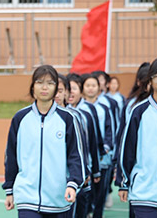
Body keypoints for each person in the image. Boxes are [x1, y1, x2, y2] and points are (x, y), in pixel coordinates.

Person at [3, 65, 84, 217]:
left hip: (58, 199)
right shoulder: (20, 118)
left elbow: (76, 155)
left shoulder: (68, 119)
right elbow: (11, 156)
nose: (44, 87)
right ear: (32, 87)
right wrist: (9, 189)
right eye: (39, 82)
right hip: (27, 198)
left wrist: (73, 184)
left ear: (56, 88)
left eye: (50, 83)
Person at [118, 58, 157, 217]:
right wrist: (123, 183)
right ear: (150, 81)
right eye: (156, 76)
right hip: (143, 192)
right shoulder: (138, 111)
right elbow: (127, 149)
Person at [56, 75, 97, 218]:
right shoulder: (32, 118)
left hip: (72, 179)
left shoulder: (75, 117)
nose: (56, 94)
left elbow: (84, 147)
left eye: (60, 90)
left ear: (66, 93)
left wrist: (85, 171)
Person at [82, 73, 115, 218]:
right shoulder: (78, 108)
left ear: (99, 88)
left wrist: (105, 149)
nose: (90, 88)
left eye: (93, 85)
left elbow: (110, 131)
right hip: (87, 159)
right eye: (87, 85)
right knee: (86, 195)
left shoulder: (104, 108)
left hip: (103, 159)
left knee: (100, 195)